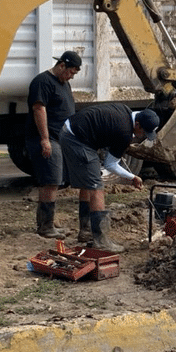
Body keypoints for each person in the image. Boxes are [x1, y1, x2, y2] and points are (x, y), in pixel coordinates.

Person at [59, 103, 158, 251]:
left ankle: (86, 231)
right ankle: (102, 241)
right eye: (143, 131)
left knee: (89, 182)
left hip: (71, 130)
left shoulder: (125, 110)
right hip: (76, 138)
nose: (143, 135)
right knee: (97, 187)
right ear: (137, 124)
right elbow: (110, 165)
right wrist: (132, 177)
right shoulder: (124, 132)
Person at [26, 51, 81, 239]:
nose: (71, 76)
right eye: (71, 72)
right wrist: (45, 139)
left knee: (55, 180)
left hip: (61, 138)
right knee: (51, 180)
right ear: (62, 65)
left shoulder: (63, 84)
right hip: (49, 139)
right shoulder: (43, 81)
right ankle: (46, 226)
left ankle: (46, 223)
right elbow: (39, 108)